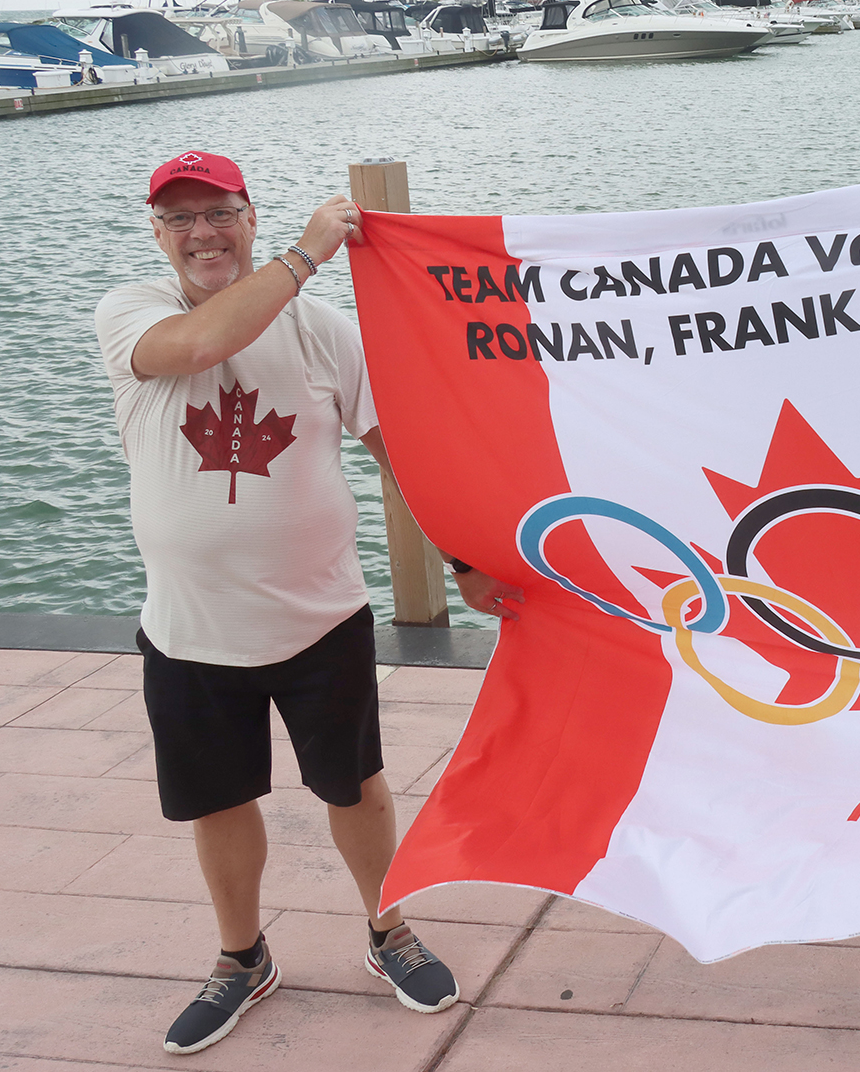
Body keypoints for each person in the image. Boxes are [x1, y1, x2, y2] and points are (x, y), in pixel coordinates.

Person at [94, 151, 522, 1055]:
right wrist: (306, 253)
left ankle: (389, 931)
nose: (202, 233)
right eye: (180, 219)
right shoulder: (132, 313)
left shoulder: (324, 330)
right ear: (158, 234)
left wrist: (461, 555)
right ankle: (241, 957)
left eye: (219, 213)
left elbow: (395, 446)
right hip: (190, 628)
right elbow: (199, 346)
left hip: (321, 616)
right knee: (217, 803)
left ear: (249, 216)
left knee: (356, 787)